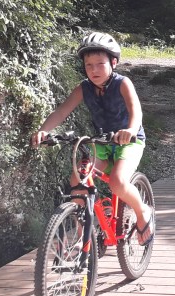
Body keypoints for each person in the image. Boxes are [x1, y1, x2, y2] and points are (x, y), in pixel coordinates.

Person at [31, 32, 155, 245]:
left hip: (129, 141)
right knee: (77, 179)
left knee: (117, 182)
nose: (94, 70)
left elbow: (136, 111)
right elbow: (62, 112)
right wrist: (43, 130)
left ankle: (143, 211)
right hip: (102, 142)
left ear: (113, 63)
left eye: (100, 64)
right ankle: (84, 233)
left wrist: (130, 130)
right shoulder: (84, 88)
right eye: (89, 65)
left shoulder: (123, 83)